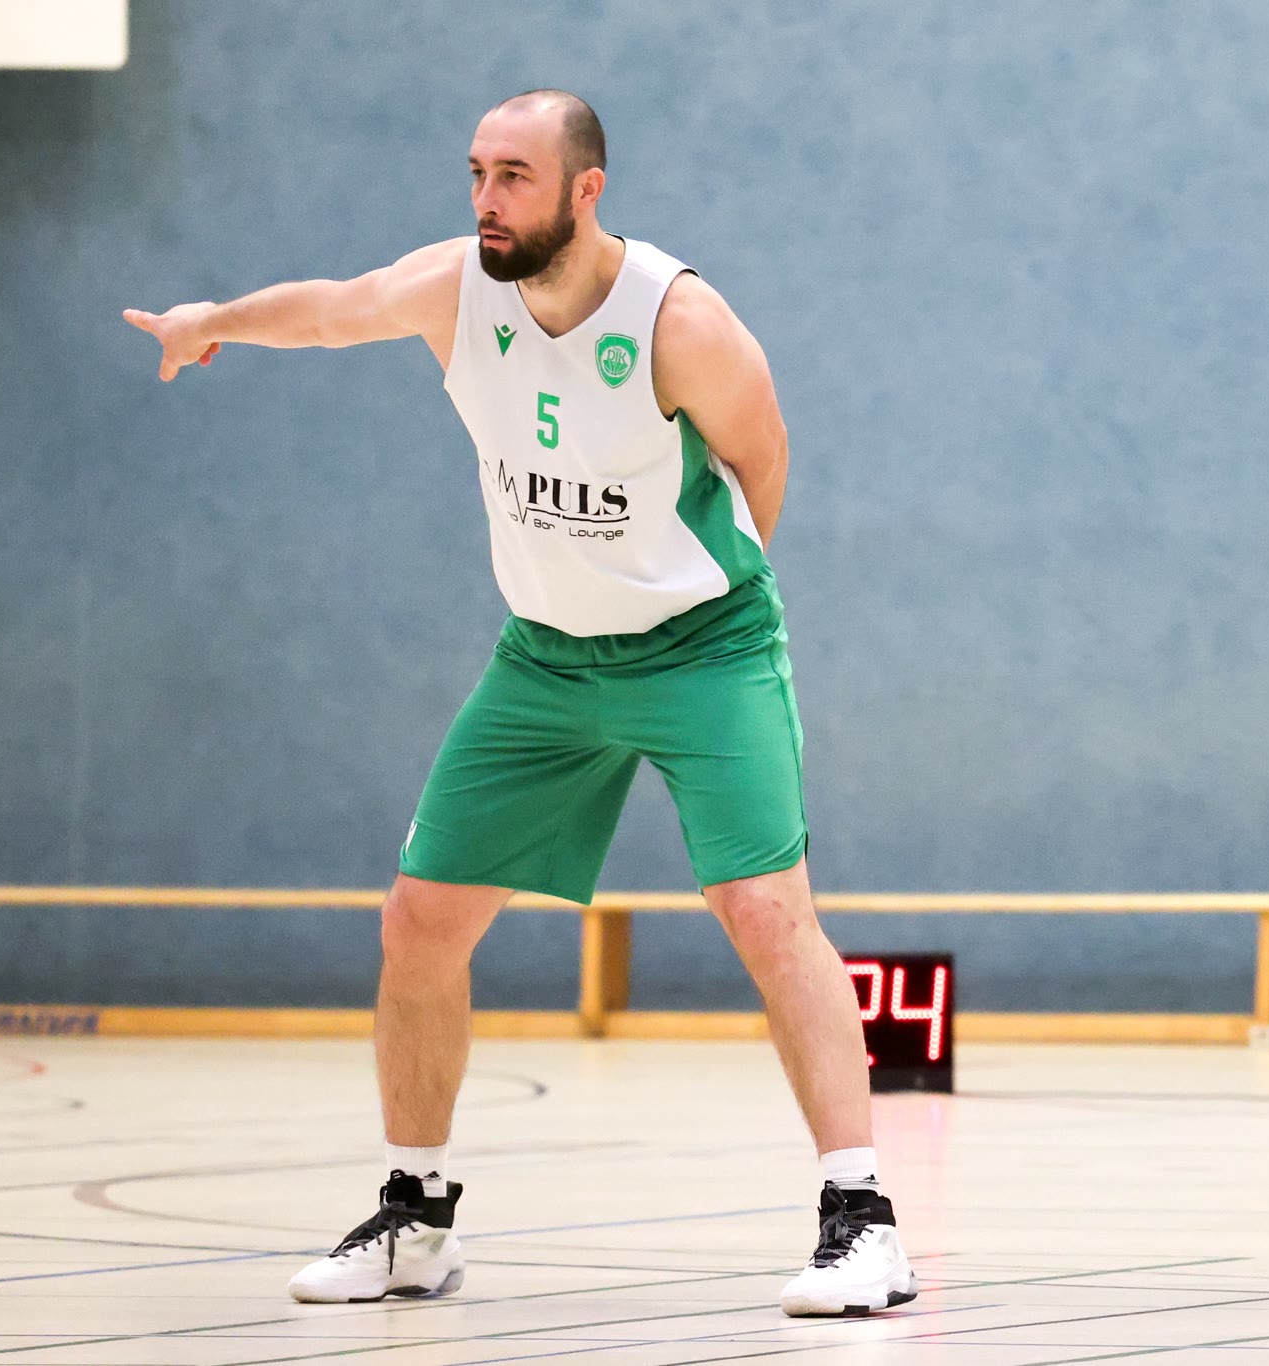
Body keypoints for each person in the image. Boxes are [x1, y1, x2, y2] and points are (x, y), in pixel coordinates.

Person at [124, 90, 916, 1317]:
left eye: (513, 177)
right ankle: (414, 1217)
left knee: (766, 912)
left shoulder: (678, 320)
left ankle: (861, 1222)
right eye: (476, 172)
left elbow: (760, 460)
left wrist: (687, 593)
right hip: (544, 661)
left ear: (584, 190)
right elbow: (332, 309)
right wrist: (209, 320)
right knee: (418, 921)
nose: (485, 199)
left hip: (701, 649)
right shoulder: (456, 288)